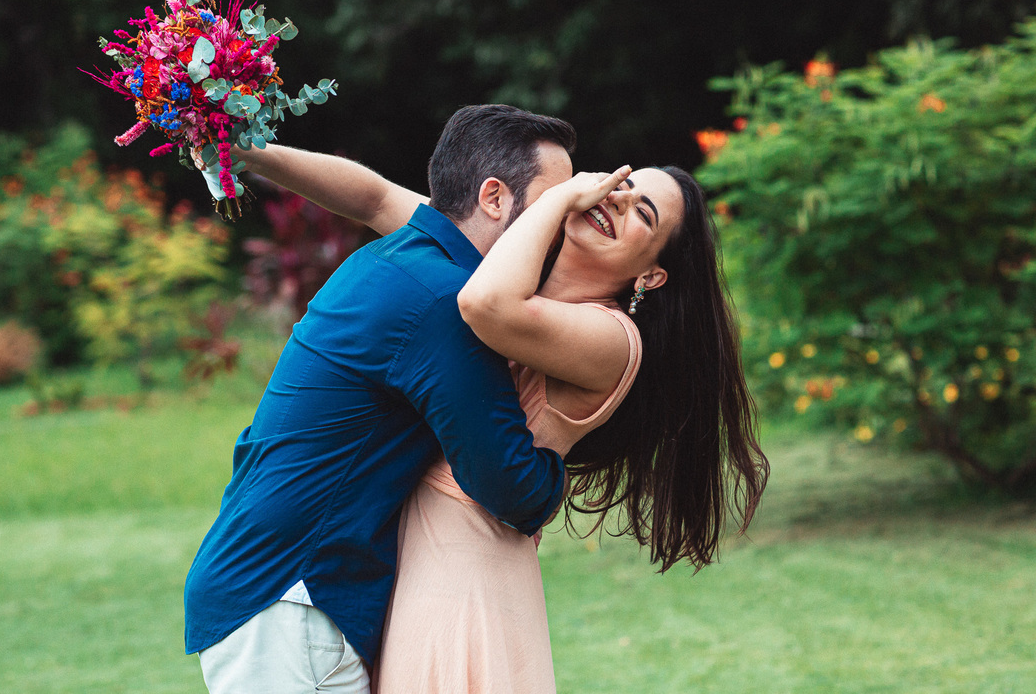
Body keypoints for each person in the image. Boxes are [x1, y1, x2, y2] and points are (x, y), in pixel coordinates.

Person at [234, 137, 770, 693]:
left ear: (652, 276)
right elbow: (374, 200)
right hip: (398, 566)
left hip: (465, 579)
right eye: (620, 188)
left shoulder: (613, 339)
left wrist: (554, 202)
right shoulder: (512, 267)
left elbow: (485, 306)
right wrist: (246, 151)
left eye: (642, 213)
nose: (615, 203)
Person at [183, 104, 577, 694]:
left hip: (267, 584)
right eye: (555, 206)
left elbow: (371, 197)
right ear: (494, 198)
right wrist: (566, 445)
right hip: (291, 599)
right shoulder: (445, 302)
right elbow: (510, 487)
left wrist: (242, 150)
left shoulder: (406, 256)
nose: (565, 226)